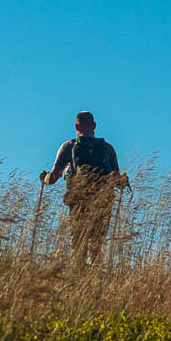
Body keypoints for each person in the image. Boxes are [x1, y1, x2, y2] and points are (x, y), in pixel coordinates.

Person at [39, 111, 128, 264]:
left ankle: (78, 278)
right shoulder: (107, 149)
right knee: (96, 246)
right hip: (103, 204)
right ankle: (96, 281)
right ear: (94, 126)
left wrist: (44, 178)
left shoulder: (69, 146)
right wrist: (122, 180)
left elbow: (53, 177)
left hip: (78, 203)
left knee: (78, 245)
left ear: (76, 126)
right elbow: (117, 180)